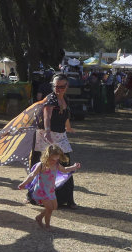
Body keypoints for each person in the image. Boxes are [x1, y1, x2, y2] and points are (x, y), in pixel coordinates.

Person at [28, 74, 78, 209]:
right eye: (56, 86)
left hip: (60, 135)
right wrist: (48, 132)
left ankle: (67, 198)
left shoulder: (65, 99)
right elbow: (47, 117)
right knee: (42, 166)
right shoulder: (50, 99)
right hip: (45, 136)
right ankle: (36, 197)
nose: (58, 89)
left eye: (61, 86)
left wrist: (69, 128)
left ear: (66, 86)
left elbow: (66, 116)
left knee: (65, 162)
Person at [19, 145, 80, 230]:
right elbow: (32, 175)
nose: (54, 161)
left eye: (56, 159)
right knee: (50, 209)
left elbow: (65, 169)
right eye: (52, 159)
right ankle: (47, 226)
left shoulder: (56, 164)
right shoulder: (42, 165)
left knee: (54, 207)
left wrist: (73, 167)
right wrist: (23, 183)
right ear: (47, 156)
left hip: (51, 191)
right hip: (41, 191)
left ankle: (39, 217)